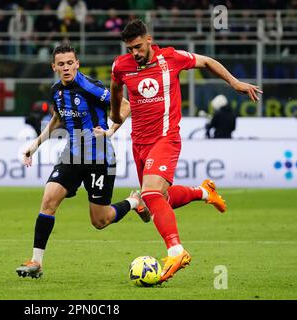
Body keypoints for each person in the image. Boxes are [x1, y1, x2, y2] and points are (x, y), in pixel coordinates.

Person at [110, 19, 262, 284]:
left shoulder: (171, 57)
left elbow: (206, 61)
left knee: (150, 193)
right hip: (139, 142)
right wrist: (114, 120)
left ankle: (176, 251)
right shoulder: (121, 66)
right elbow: (115, 89)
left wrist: (234, 83)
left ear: (148, 40)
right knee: (157, 201)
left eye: (137, 46)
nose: (134, 53)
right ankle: (205, 192)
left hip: (166, 138)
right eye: (130, 48)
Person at [15, 42, 150, 279]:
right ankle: (36, 262)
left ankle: (133, 201)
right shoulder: (56, 90)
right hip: (72, 155)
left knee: (100, 220)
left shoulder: (93, 88)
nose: (66, 68)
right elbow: (57, 119)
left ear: (77, 63)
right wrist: (34, 147)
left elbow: (126, 107)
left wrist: (110, 131)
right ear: (54, 66)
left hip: (100, 159)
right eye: (61, 64)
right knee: (49, 199)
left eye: (70, 63)